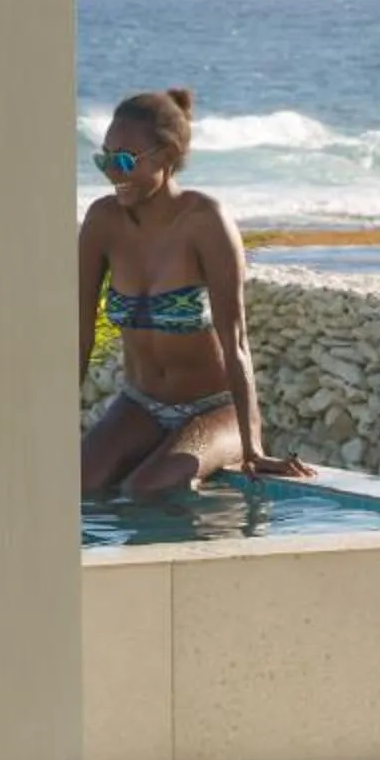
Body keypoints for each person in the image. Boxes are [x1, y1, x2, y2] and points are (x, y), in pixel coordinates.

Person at [79, 87, 302, 497]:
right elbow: (79, 332)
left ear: (165, 157)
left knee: (147, 489)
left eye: (125, 160)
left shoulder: (205, 222)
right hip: (140, 404)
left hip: (215, 409)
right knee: (78, 482)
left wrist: (253, 447)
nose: (113, 172)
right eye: (104, 159)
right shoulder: (102, 222)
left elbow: (235, 340)